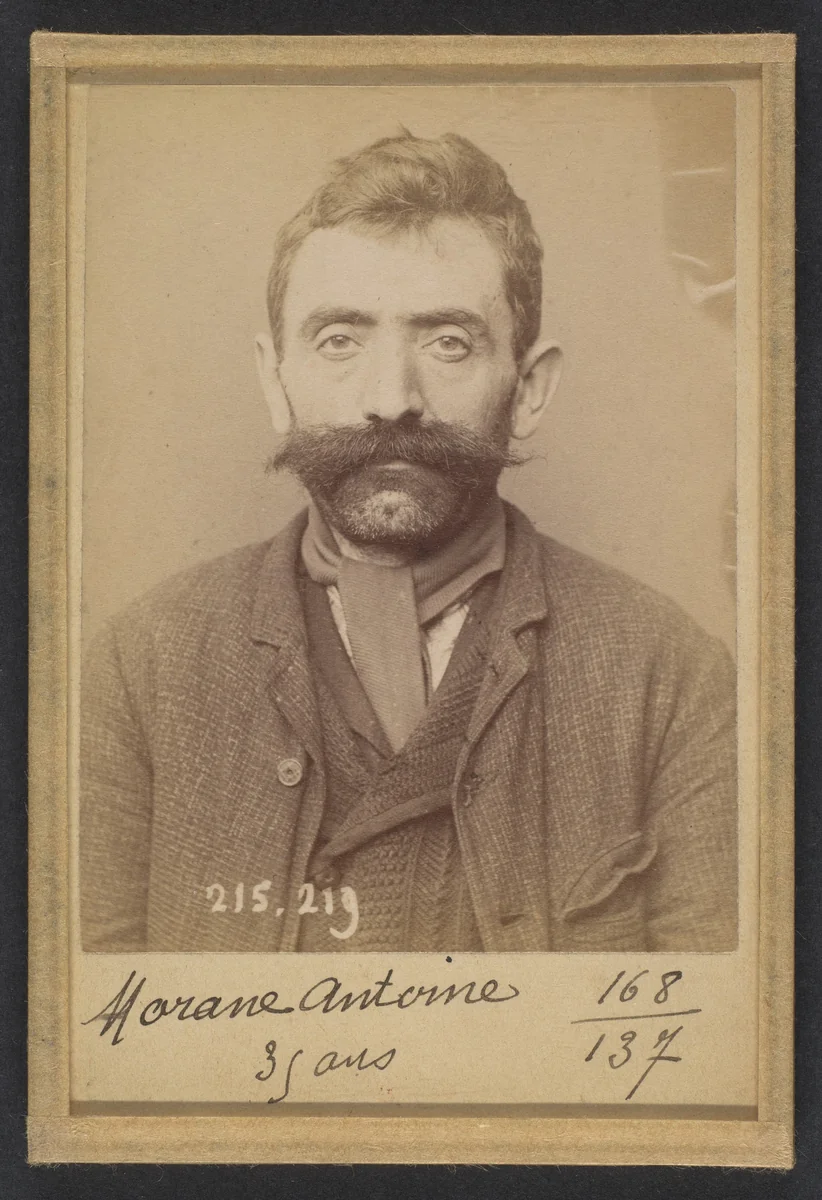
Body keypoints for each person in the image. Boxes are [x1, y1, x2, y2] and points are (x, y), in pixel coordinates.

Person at [80, 131, 737, 954]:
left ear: (529, 389)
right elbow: (89, 1044)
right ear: (273, 380)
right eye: (340, 340)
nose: (392, 397)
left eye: (448, 342)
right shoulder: (140, 667)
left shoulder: (670, 676)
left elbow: (708, 1047)